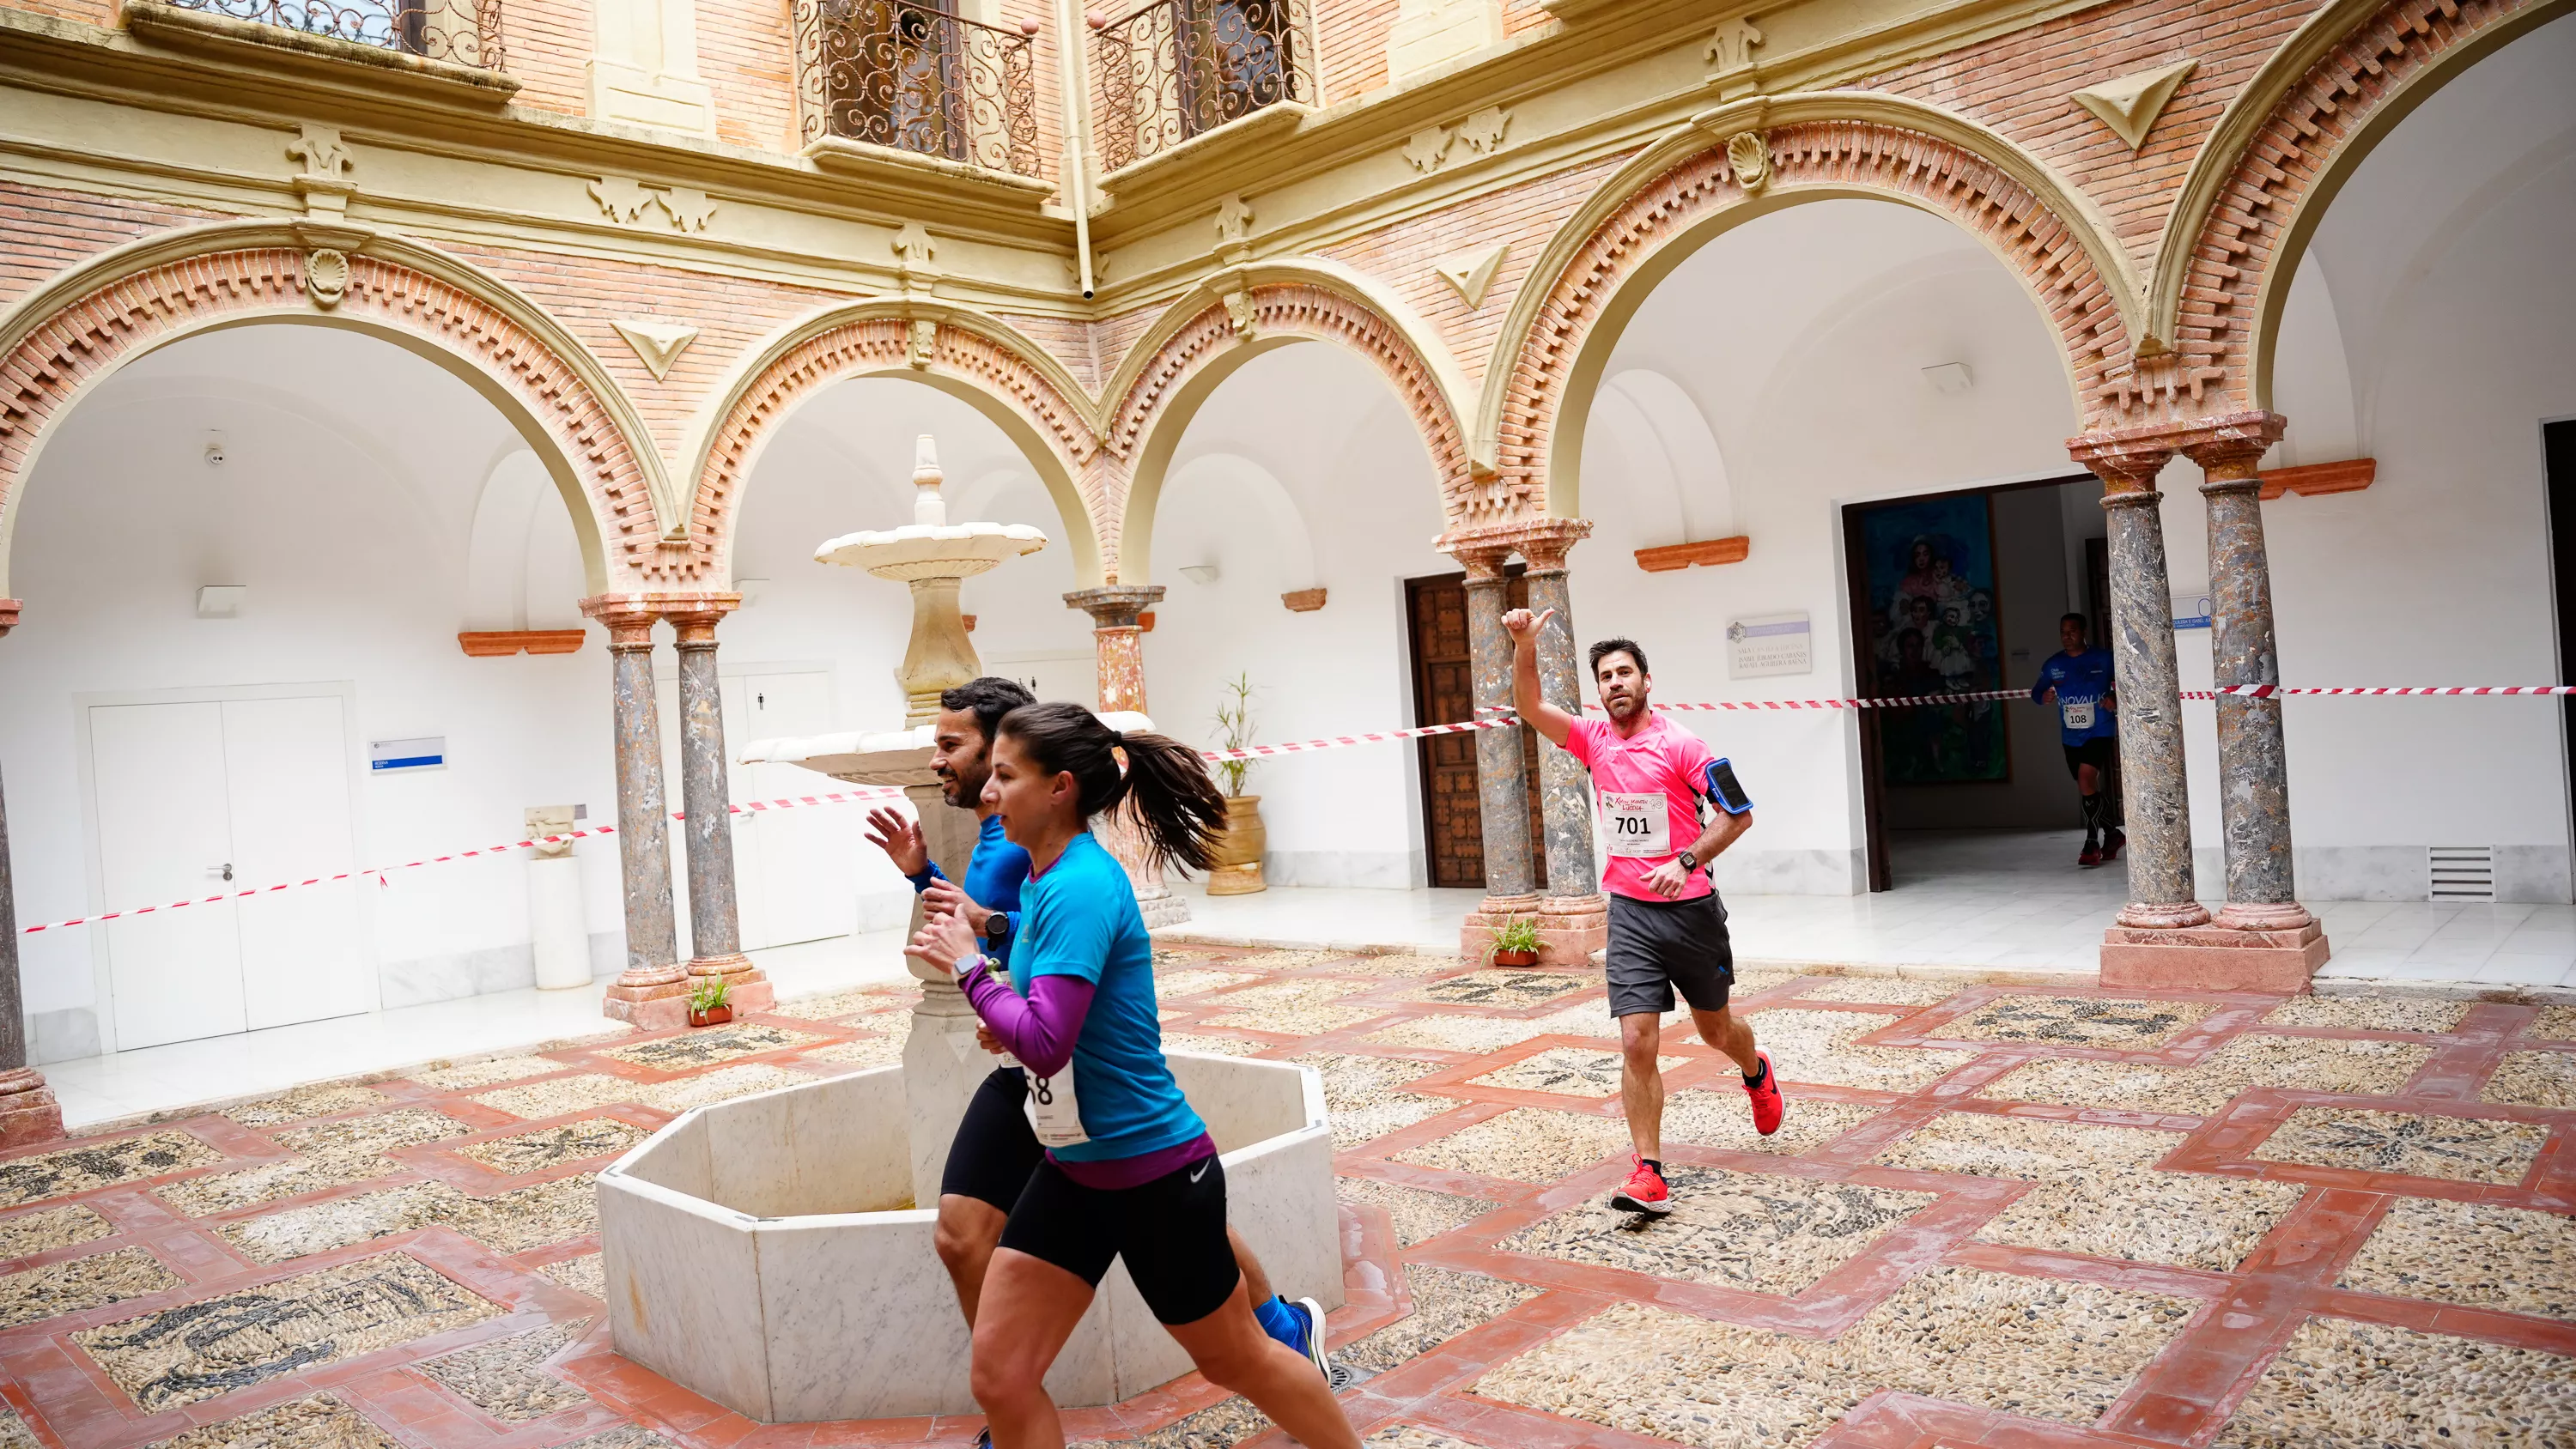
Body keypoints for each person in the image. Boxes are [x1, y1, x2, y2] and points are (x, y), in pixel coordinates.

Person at [865, 682, 1326, 1449]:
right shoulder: (1043, 874)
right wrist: (997, 991)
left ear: (1059, 787)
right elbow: (1040, 1006)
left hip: (1149, 1168)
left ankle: (1296, 1349)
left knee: (1236, 1360)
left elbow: (1049, 1038)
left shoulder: (1077, 881)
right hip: (1076, 1166)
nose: (986, 787)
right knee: (1002, 1374)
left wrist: (975, 976)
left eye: (1002, 772)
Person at [1503, 610, 1783, 1216]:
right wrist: (1525, 645)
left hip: (1691, 913)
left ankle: (1755, 1069)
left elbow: (1739, 815)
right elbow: (1529, 705)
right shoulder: (1591, 739)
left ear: (1647, 681)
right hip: (1630, 912)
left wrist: (1685, 861)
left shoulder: (1684, 745)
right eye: (1605, 677)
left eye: (1625, 673)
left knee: (1715, 1030)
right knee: (1636, 1040)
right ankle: (1648, 1172)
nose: (1615, 685)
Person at [2032, 612, 2125, 868]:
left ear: (2083, 632)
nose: (2066, 636)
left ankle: (2091, 841)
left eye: (2072, 631)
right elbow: (2037, 690)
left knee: (2086, 780)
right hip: (2070, 736)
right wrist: (2043, 698)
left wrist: (2115, 699)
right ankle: (2114, 835)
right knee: (2087, 788)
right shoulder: (2054, 664)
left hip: (2100, 730)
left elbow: (2129, 682)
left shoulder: (2104, 659)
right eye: (2063, 631)